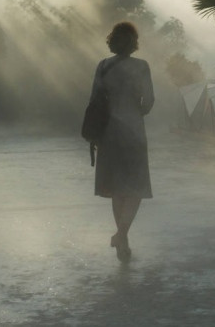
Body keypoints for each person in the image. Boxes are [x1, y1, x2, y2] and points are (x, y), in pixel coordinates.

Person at [89, 21, 155, 261]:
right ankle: (122, 234)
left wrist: (95, 134)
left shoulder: (103, 66)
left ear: (112, 41)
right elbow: (148, 101)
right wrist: (135, 111)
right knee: (135, 187)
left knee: (117, 188)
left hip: (109, 132)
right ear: (134, 43)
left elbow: (95, 100)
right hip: (134, 131)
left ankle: (122, 239)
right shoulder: (142, 66)